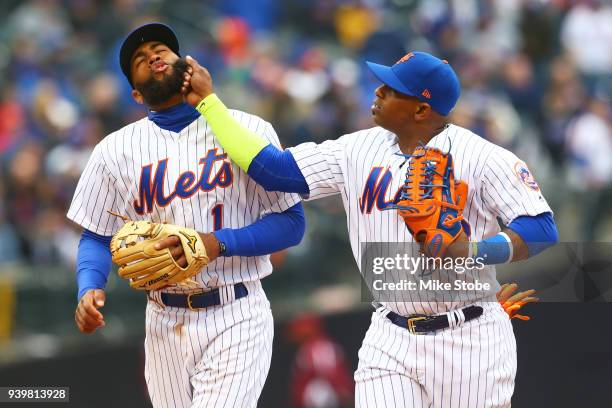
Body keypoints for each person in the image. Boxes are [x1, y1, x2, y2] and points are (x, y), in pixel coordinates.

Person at [180, 51, 558, 407]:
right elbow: (274, 170)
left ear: (421, 109)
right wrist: (210, 103)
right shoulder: (356, 149)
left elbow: (541, 228)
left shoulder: (481, 157)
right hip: (389, 335)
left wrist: (474, 251)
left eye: (392, 90)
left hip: (469, 337)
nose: (377, 91)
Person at [67, 23, 305, 408]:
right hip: (163, 320)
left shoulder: (246, 128)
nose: (153, 57)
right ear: (135, 91)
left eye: (161, 49)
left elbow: (292, 223)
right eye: (140, 61)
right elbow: (95, 235)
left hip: (237, 309)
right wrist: (89, 286)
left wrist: (217, 244)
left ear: (187, 64)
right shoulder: (114, 151)